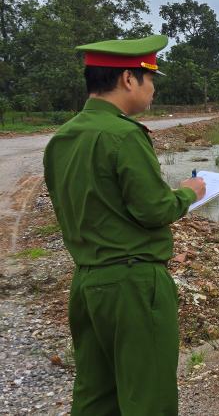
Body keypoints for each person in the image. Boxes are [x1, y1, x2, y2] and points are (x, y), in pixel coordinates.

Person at [43, 34, 206, 415]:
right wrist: (189, 193)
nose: (153, 89)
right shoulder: (123, 136)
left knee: (96, 395)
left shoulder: (62, 139)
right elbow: (153, 209)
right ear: (128, 79)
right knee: (147, 396)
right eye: (150, 79)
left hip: (87, 282)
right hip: (133, 284)